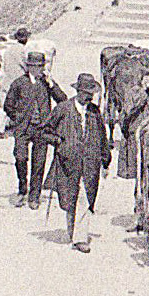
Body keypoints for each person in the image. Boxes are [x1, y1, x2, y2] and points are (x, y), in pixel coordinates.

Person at [41, 73, 112, 252]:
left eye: (92, 94)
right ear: (78, 91)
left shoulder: (95, 112)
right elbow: (44, 131)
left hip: (90, 163)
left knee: (85, 198)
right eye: (87, 93)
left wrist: (105, 159)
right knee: (69, 197)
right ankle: (73, 230)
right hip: (67, 163)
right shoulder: (63, 109)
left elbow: (103, 137)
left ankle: (80, 237)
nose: (89, 97)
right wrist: (57, 140)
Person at [3, 51, 64, 208]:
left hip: (42, 129)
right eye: (34, 67)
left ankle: (34, 196)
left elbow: (62, 100)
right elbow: (8, 105)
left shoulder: (47, 83)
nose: (38, 70)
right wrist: (18, 119)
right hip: (23, 129)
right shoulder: (19, 83)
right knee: (20, 158)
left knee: (39, 163)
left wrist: (52, 84)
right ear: (28, 67)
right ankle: (22, 189)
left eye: (40, 67)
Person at [0, 27, 32, 136]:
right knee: (22, 105)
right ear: (25, 39)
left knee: (4, 106)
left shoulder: (7, 50)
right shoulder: (24, 51)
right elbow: (26, 66)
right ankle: (20, 128)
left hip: (7, 80)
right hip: (19, 82)